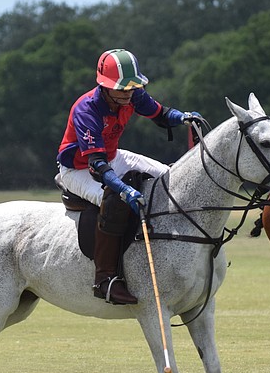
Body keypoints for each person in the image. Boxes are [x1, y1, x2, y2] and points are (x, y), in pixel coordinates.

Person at [56, 49, 202, 305]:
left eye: (132, 87)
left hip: (113, 156)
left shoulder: (133, 95)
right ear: (104, 85)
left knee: (170, 179)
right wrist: (124, 190)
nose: (127, 93)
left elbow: (160, 113)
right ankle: (106, 280)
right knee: (114, 203)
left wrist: (184, 117)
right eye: (121, 88)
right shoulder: (86, 110)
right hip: (77, 169)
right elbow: (98, 165)